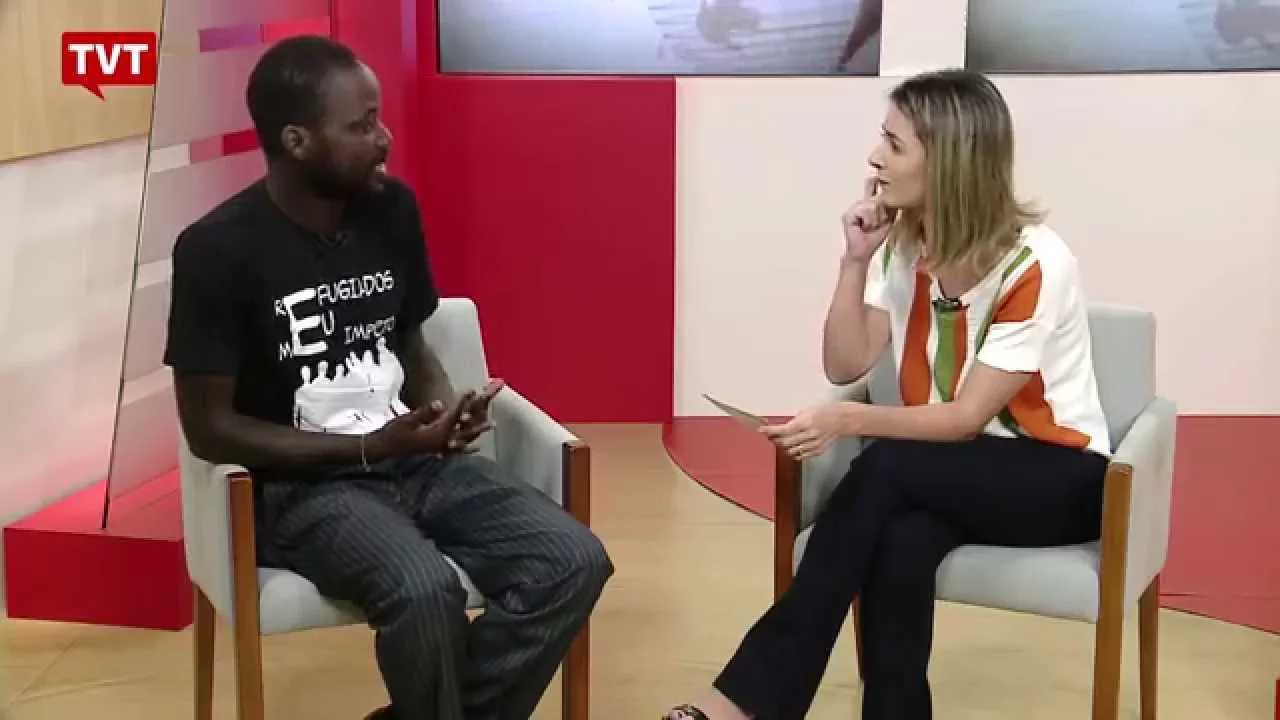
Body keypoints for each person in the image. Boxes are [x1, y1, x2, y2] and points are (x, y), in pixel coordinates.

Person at [163, 35, 613, 720]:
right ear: (297, 141)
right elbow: (209, 428)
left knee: (572, 559)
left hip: (415, 461)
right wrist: (370, 447)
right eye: (361, 124)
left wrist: (444, 409)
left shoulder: (390, 210)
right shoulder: (216, 250)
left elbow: (410, 340)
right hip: (303, 491)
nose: (384, 138)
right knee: (423, 588)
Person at [664, 68, 1111, 720]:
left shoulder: (1036, 262)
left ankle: (748, 701)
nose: (875, 157)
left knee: (884, 467)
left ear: (949, 161)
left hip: (1059, 479)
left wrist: (846, 420)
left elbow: (966, 418)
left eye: (895, 144)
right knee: (901, 539)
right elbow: (845, 361)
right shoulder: (906, 248)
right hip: (947, 477)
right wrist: (854, 260)